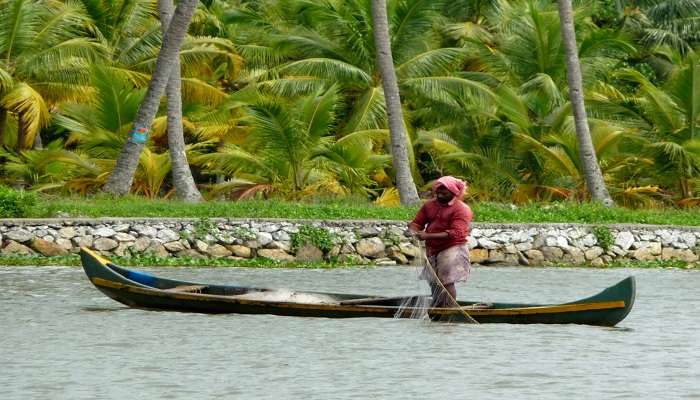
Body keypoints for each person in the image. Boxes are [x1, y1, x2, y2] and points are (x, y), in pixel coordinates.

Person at [408, 176, 473, 308]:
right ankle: (438, 309)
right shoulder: (429, 205)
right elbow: (417, 223)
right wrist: (413, 231)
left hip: (452, 247)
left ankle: (449, 310)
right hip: (433, 248)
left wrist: (427, 236)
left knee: (446, 280)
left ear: (454, 192)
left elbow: (456, 233)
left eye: (444, 191)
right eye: (438, 190)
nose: (440, 193)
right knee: (433, 280)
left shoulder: (462, 209)